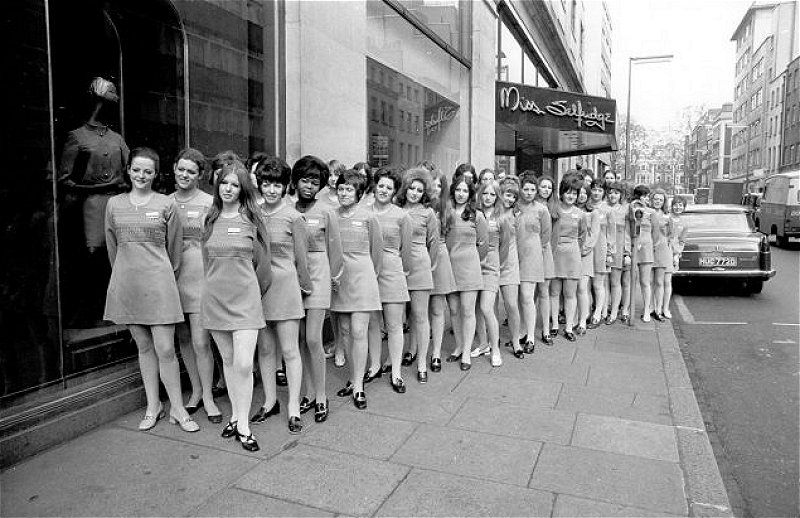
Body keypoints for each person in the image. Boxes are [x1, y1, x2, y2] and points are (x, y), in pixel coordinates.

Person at [104, 147, 199, 432]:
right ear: (129, 171)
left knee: (166, 348)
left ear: (156, 174)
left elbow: (175, 252)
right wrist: (125, 273)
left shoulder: (166, 205)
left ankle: (179, 410)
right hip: (128, 284)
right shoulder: (113, 204)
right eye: (136, 170)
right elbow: (112, 246)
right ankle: (153, 405)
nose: (141, 175)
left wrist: (160, 274)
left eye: (148, 171)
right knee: (144, 348)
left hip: (159, 284)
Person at [202, 160, 271, 451]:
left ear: (242, 189)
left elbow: (264, 268)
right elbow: (207, 264)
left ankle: (243, 423)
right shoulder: (211, 218)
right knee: (228, 362)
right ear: (218, 187)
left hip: (245, 301)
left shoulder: (251, 220)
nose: (228, 188)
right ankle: (237, 417)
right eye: (224, 183)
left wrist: (250, 292)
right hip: (215, 300)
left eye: (234, 184)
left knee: (244, 364)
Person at [251, 157, 312, 434]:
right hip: (259, 289)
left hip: (286, 287)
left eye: (277, 185)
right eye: (266, 184)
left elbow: (302, 260)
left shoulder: (294, 217)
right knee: (265, 349)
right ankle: (270, 401)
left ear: (285, 186)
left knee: (289, 350)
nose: (271, 190)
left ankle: (294, 408)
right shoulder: (252, 213)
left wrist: (304, 290)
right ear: (259, 185)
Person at [169, 148, 222, 423]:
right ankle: (196, 392)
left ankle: (210, 398)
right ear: (174, 169)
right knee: (184, 340)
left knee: (202, 340)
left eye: (191, 171)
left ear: (200, 175)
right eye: (181, 169)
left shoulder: (210, 202)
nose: (185, 175)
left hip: (201, 276)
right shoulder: (164, 203)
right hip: (173, 278)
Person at [292, 155, 343, 422]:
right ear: (296, 181)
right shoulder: (288, 209)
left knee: (313, 338)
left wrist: (333, 279)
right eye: (305, 180)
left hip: (319, 275)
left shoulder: (326, 212)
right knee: (300, 340)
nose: (309, 186)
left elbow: (336, 251)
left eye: (315, 181)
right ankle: (308, 393)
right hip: (292, 278)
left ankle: (322, 396)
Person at [331, 170, 383, 409]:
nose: (343, 193)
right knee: (343, 331)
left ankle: (360, 385)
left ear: (359, 193)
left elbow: (377, 253)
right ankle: (352, 378)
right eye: (341, 189)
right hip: (340, 278)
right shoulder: (331, 216)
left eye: (349, 189)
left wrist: (370, 275)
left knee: (358, 330)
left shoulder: (369, 217)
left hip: (362, 276)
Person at [366, 168, 413, 388]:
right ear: (375, 186)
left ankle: (395, 371)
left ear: (394, 192)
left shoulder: (402, 216)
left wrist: (401, 272)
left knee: (394, 325)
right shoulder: (363, 211)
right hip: (367, 273)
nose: (384, 190)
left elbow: (406, 250)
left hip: (392, 271)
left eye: (389, 187)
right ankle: (374, 366)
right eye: (381, 185)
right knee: (373, 324)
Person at [396, 168, 439, 379]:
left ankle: (422, 362)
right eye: (411, 188)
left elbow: (434, 242)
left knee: (420, 315)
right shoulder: (396, 209)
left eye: (419, 190)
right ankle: (398, 357)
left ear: (424, 193)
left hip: (420, 266)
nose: (414, 193)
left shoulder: (428, 213)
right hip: (396, 267)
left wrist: (429, 267)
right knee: (398, 318)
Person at [445, 175, 488, 370]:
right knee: (454, 310)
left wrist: (474, 260)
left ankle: (466, 354)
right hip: (450, 266)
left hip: (470, 267)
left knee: (468, 310)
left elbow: (484, 244)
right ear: (453, 191)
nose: (461, 194)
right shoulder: (445, 212)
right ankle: (459, 346)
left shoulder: (477, 215)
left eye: (465, 191)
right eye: (458, 190)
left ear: (470, 194)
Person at [549, 174, 587, 341]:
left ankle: (569, 327)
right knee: (554, 291)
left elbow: (582, 236)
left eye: (575, 193)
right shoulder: (553, 209)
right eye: (568, 192)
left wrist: (575, 250)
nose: (571, 196)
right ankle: (555, 325)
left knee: (570, 293)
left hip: (572, 255)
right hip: (555, 253)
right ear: (562, 193)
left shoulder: (580, 214)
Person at [517, 172, 551, 350]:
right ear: (520, 189)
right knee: (517, 298)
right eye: (526, 189)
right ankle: (521, 332)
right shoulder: (515, 206)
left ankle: (530, 336)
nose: (529, 192)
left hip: (532, 255)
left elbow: (546, 235)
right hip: (514, 255)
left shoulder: (541, 209)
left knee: (527, 296)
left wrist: (536, 249)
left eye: (532, 189)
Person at [427, 169, 457, 370]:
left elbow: (451, 242)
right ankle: (415, 350)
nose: (435, 189)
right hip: (419, 259)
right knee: (417, 312)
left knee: (438, 309)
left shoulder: (448, 211)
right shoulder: (417, 206)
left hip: (440, 258)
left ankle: (436, 353)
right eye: (432, 185)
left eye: (440, 185)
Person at [497, 177, 523, 358]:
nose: (510, 199)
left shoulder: (517, 215)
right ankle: (492, 340)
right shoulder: (491, 213)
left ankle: (516, 341)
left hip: (510, 263)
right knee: (489, 306)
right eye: (507, 195)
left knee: (511, 304)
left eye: (514, 196)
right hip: (492, 262)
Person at [587, 179, 615, 327]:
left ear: (604, 192)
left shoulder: (608, 210)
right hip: (586, 248)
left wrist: (610, 252)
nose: (596, 192)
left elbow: (612, 233)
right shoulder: (586, 206)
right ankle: (586, 312)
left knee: (598, 284)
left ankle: (598, 313)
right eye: (594, 189)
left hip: (601, 248)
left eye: (600, 190)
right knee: (585, 285)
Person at [629, 185, 656, 322]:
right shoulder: (632, 208)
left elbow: (655, 233)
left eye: (647, 196)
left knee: (645, 281)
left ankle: (646, 310)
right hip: (633, 247)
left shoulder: (651, 212)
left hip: (646, 248)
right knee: (630, 280)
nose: (645, 199)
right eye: (643, 196)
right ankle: (628, 308)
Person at [535, 175, 558, 339]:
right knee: (528, 295)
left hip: (546, 251)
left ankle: (545, 330)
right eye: (543, 187)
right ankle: (524, 330)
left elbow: (553, 236)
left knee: (544, 291)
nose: (546, 190)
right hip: (530, 253)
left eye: (549, 188)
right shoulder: (529, 205)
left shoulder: (554, 209)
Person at [606, 182, 631, 324]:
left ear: (621, 194)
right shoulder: (604, 208)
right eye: (610, 192)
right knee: (611, 282)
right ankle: (612, 310)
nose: (612, 195)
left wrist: (627, 253)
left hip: (621, 248)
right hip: (609, 248)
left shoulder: (626, 209)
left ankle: (623, 310)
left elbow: (628, 232)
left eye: (615, 193)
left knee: (623, 282)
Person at [575, 185, 597, 335]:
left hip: (584, 254)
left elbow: (593, 236)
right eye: (579, 192)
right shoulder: (571, 210)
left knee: (583, 288)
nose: (582, 195)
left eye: (585, 193)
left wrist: (582, 251)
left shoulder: (593, 213)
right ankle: (575, 318)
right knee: (572, 289)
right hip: (570, 254)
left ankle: (583, 320)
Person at [650, 189, 672, 320]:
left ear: (664, 202)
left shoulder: (667, 216)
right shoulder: (647, 213)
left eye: (660, 200)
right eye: (655, 199)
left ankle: (659, 308)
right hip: (648, 249)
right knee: (649, 281)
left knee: (659, 281)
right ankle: (650, 306)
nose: (657, 202)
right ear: (651, 200)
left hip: (663, 249)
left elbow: (672, 235)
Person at [664, 197, 688, 319]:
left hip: (672, 255)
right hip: (661, 251)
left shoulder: (684, 224)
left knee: (667, 281)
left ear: (684, 208)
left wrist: (677, 255)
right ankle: (653, 306)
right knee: (656, 281)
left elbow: (682, 241)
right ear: (671, 206)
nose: (677, 207)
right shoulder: (666, 218)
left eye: (680, 205)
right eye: (675, 204)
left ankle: (665, 308)